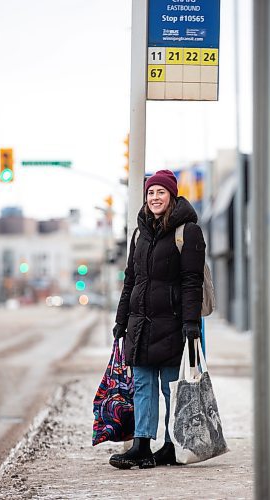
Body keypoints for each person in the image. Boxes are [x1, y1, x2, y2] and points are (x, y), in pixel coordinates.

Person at [109, 169, 205, 470]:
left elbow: (192, 281)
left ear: (172, 195)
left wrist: (190, 322)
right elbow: (131, 280)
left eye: (160, 192)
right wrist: (121, 320)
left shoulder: (187, 231)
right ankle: (141, 445)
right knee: (142, 385)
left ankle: (171, 445)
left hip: (173, 323)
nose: (154, 198)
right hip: (140, 325)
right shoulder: (139, 232)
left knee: (171, 388)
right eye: (150, 193)